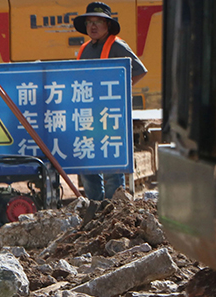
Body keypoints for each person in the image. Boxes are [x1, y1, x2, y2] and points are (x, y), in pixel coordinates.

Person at [73, 2, 147, 201]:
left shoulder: (117, 46)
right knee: (88, 167)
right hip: (88, 115)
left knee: (111, 169)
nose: (93, 26)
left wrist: (120, 91)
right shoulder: (84, 49)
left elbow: (140, 71)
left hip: (110, 116)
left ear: (107, 25)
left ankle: (114, 210)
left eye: (98, 22)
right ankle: (96, 208)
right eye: (89, 22)